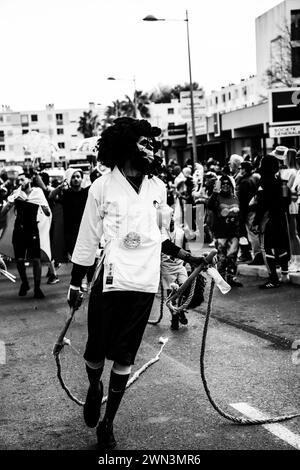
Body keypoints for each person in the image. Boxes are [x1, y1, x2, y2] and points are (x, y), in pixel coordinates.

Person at [67, 117, 205, 450]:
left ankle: (108, 422)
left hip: (143, 284)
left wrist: (190, 257)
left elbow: (162, 238)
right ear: (126, 146)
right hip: (109, 281)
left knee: (126, 355)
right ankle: (93, 388)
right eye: (145, 144)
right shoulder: (101, 186)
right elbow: (88, 237)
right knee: (95, 352)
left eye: (153, 145)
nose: (152, 150)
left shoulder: (159, 187)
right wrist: (75, 283)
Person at [1, 172, 51, 298]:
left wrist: (45, 209)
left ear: (29, 180)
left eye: (22, 179)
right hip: (19, 230)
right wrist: (9, 204)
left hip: (32, 229)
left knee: (36, 259)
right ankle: (24, 283)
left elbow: (47, 212)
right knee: (19, 259)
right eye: (18, 180)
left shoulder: (37, 193)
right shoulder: (17, 193)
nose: (20, 182)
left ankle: (37, 288)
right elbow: (5, 210)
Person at [252, 155, 290, 289]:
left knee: (267, 248)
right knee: (281, 246)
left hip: (268, 220)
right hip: (281, 218)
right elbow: (287, 201)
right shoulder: (281, 182)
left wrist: (256, 221)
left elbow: (261, 205)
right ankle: (285, 274)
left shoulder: (263, 182)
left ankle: (273, 278)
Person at [207, 173, 243, 287]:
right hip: (220, 231)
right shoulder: (216, 197)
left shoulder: (235, 197)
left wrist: (242, 231)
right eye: (223, 183)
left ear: (231, 185)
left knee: (232, 256)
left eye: (228, 183)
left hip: (234, 231)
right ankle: (222, 279)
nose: (225, 185)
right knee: (222, 257)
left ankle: (231, 277)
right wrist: (215, 192)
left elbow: (241, 214)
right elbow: (209, 205)